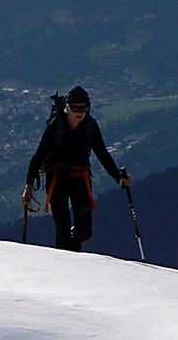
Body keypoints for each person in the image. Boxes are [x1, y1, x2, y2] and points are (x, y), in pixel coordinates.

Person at [24, 86, 132, 251]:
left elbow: (102, 153)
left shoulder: (90, 125)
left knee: (84, 231)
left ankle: (73, 251)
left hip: (79, 179)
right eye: (75, 108)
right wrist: (28, 187)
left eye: (84, 108)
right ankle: (68, 264)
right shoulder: (55, 126)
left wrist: (118, 176)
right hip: (57, 179)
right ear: (67, 107)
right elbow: (38, 157)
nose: (80, 112)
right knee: (63, 228)